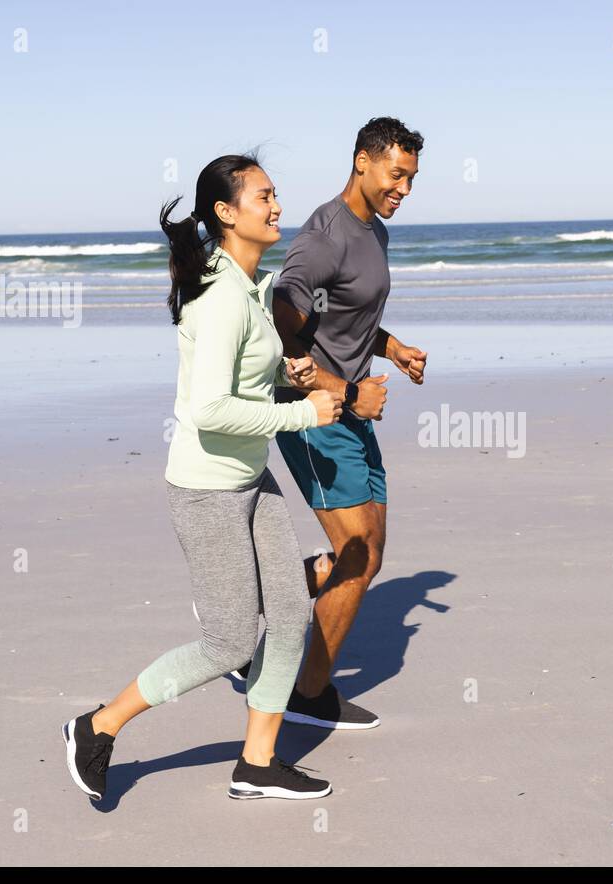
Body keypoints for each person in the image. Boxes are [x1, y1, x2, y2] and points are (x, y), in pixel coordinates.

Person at [62, 152, 344, 802]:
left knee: (291, 608)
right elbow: (208, 408)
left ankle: (257, 761)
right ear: (225, 211)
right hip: (207, 489)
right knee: (229, 640)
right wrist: (304, 410)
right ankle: (96, 727)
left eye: (276, 195)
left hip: (251, 478)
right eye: (264, 197)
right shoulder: (221, 298)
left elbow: (239, 380)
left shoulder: (247, 285)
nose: (277, 206)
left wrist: (283, 376)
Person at [270, 117, 427, 730]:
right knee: (356, 551)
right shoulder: (325, 232)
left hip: (353, 407)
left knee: (370, 553)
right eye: (397, 174)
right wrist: (339, 390)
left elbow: (349, 317)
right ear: (363, 160)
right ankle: (305, 692)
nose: (404, 189)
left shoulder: (374, 233)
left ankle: (282, 613)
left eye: (412, 178)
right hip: (316, 414)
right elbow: (288, 309)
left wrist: (395, 349)